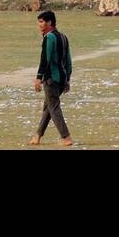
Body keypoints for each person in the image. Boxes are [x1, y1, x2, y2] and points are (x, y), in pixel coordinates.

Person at [29, 11, 73, 147]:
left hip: (51, 79)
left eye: (41, 22)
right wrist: (67, 79)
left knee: (53, 107)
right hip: (61, 79)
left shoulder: (49, 38)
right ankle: (37, 136)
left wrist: (38, 78)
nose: (39, 25)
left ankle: (66, 137)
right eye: (39, 22)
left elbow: (45, 59)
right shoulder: (63, 37)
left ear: (49, 22)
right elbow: (69, 61)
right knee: (48, 107)